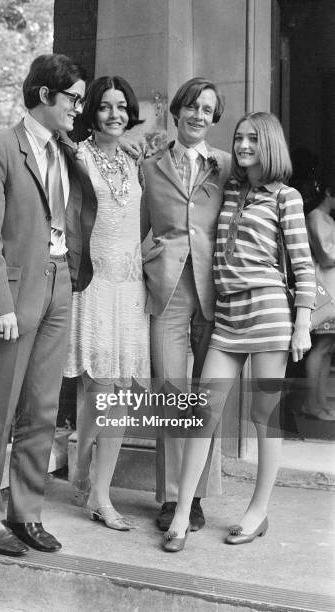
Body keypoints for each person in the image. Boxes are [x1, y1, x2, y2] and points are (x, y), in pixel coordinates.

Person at [162, 111, 316, 552]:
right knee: (203, 414)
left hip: (268, 312)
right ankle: (179, 513)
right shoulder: (231, 188)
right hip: (228, 315)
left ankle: (258, 511)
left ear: (268, 144)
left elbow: (302, 264)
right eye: (239, 138)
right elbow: (195, 159)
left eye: (252, 139)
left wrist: (302, 321)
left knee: (264, 419)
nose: (243, 146)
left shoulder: (286, 197)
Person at [0, 54, 97, 556]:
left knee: (43, 408)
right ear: (45, 94)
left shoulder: (66, 151)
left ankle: (26, 514)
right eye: (73, 98)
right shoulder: (0, 147)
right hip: (16, 295)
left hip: (59, 284)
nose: (78, 109)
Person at [140, 78, 232, 533]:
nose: (198, 114)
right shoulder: (150, 165)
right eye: (192, 106)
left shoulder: (228, 165)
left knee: (207, 397)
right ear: (178, 111)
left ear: (215, 117)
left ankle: (195, 494)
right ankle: (173, 497)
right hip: (168, 289)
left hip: (216, 289)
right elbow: (131, 227)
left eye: (207, 109)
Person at [64, 76, 150, 530]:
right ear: (91, 113)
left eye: (122, 106)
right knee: (95, 389)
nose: (115, 114)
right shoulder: (76, 158)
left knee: (119, 391)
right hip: (93, 284)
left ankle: (100, 494)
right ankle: (82, 466)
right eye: (104, 107)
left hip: (130, 286)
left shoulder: (137, 162)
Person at [304, 178, 335, 420]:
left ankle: (320, 403)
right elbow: (325, 255)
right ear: (328, 192)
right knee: (321, 347)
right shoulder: (315, 216)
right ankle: (312, 404)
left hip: (332, 287)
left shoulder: (328, 219)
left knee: (327, 348)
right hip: (324, 289)